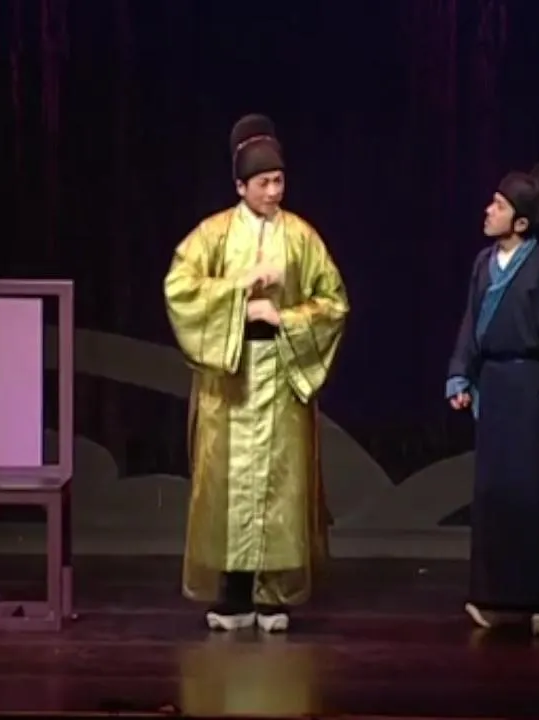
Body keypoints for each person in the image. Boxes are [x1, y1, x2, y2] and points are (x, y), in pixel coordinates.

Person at [163, 114, 350, 633]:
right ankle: (232, 595)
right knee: (225, 484)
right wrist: (239, 294)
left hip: (281, 373)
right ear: (240, 186)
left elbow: (334, 303)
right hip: (230, 374)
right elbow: (180, 289)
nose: (273, 191)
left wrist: (283, 317)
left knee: (280, 485)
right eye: (263, 182)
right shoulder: (213, 234)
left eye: (279, 181)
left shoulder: (301, 237)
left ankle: (274, 596)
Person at [445, 161, 539, 637]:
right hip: (497, 394)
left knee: (538, 498)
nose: (488, 211)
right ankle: (493, 598)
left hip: (536, 395)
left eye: (499, 206)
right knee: (496, 498)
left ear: (522, 222)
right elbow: (471, 323)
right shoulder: (483, 264)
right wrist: (461, 376)